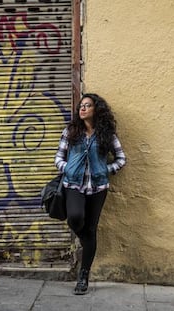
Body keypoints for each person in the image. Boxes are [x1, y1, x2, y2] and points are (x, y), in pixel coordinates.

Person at [54, 93, 126, 295]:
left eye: (87, 105)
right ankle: (88, 243)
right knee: (75, 218)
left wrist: (106, 169)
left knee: (92, 228)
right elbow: (58, 157)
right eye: (81, 106)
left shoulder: (107, 135)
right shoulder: (71, 131)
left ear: (97, 110)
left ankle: (83, 275)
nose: (82, 109)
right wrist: (67, 168)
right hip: (74, 185)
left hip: (98, 188)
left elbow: (121, 159)